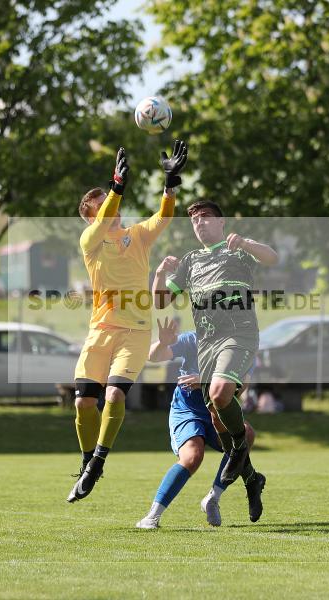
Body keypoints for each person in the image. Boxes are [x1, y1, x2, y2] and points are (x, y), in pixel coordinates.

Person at [68, 140, 189, 503]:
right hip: (100, 332)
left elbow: (163, 218)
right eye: (101, 206)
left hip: (135, 333)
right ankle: (89, 460)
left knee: (116, 393)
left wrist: (170, 184)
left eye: (110, 202)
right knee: (82, 404)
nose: (110, 209)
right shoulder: (90, 240)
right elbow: (104, 218)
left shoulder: (135, 236)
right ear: (91, 217)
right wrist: (117, 186)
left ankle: (98, 461)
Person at [153, 200, 278, 487]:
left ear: (222, 223)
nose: (200, 222)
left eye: (206, 217)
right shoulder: (190, 261)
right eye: (195, 219)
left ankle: (237, 448)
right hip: (207, 343)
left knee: (220, 393)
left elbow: (272, 258)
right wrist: (160, 274)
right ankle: (250, 476)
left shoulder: (237, 251)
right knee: (216, 411)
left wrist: (245, 243)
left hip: (238, 335)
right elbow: (160, 301)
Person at [135, 317, 264, 529]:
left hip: (217, 410)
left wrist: (205, 381)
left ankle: (213, 498)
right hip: (188, 409)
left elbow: (240, 389)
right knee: (193, 456)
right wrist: (163, 343)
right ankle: (152, 516)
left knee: (247, 434)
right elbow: (154, 356)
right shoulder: (193, 340)